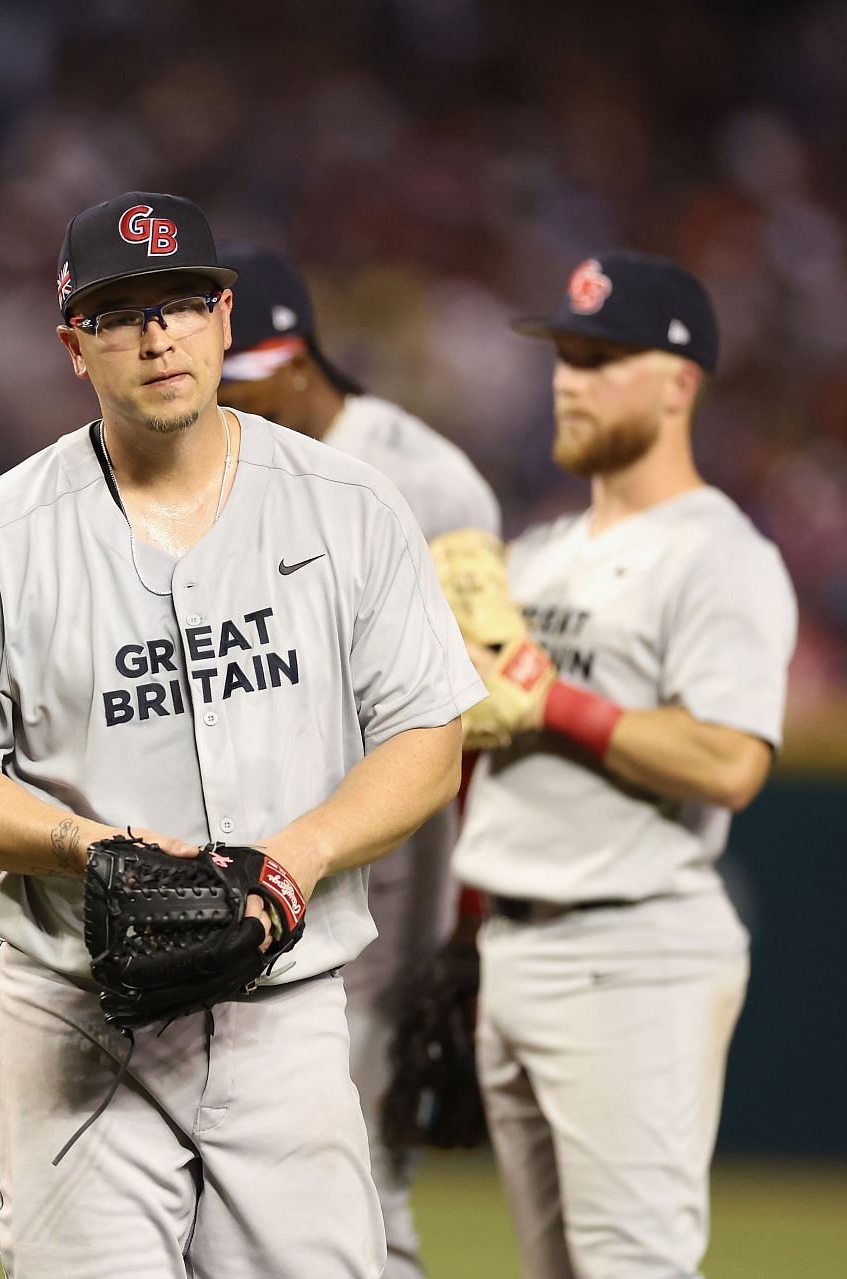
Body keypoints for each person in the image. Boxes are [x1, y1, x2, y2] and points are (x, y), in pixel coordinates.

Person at [0, 191, 482, 1277]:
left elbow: (430, 732)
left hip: (282, 1015)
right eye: (120, 312)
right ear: (73, 345)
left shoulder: (348, 505)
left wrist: (297, 858)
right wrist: (89, 848)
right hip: (78, 1017)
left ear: (225, 319)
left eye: (182, 302)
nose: (157, 334)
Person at [451, 252, 797, 1279]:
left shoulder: (716, 552)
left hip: (629, 949)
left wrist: (551, 700)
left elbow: (730, 760)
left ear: (679, 382)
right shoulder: (543, 550)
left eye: (601, 357)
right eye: (565, 354)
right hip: (512, 943)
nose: (568, 377)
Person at [215, 244, 501, 1278]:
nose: (227, 404)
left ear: (299, 359)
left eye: (244, 379)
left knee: (368, 1167)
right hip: (273, 835)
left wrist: (466, 909)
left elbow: (486, 702)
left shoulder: (427, 476)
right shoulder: (232, 463)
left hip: (393, 844)